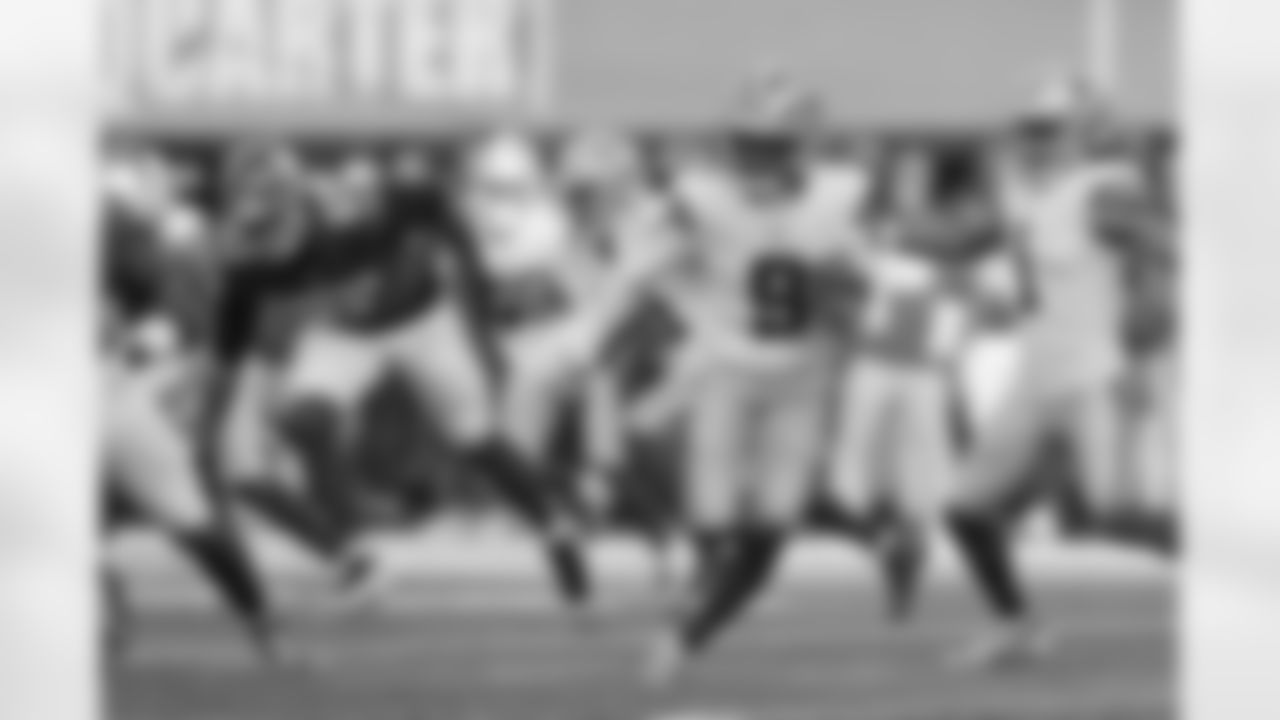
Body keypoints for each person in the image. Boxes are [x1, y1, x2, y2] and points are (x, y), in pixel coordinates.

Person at [641, 76, 912, 684]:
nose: (755, 157)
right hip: (727, 371)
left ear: (802, 147)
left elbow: (875, 285)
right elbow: (648, 252)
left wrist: (851, 292)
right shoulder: (700, 194)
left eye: (771, 145)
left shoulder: (844, 197)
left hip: (804, 379)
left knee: (772, 526)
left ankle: (689, 636)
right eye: (747, 144)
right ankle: (692, 609)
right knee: (709, 516)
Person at [944, 77, 1176, 669]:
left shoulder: (1104, 188)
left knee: (1115, 513)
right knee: (966, 508)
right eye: (1031, 129)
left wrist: (1142, 351)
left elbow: (1153, 258)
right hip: (1037, 375)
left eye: (1047, 129)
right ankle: (1015, 625)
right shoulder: (1035, 194)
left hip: (1094, 375)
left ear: (1084, 130)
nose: (1033, 141)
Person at [101, 166, 276, 661]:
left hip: (115, 401)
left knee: (192, 519)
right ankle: (263, 630)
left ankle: (263, 628)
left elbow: (167, 323)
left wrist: (143, 350)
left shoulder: (149, 255)